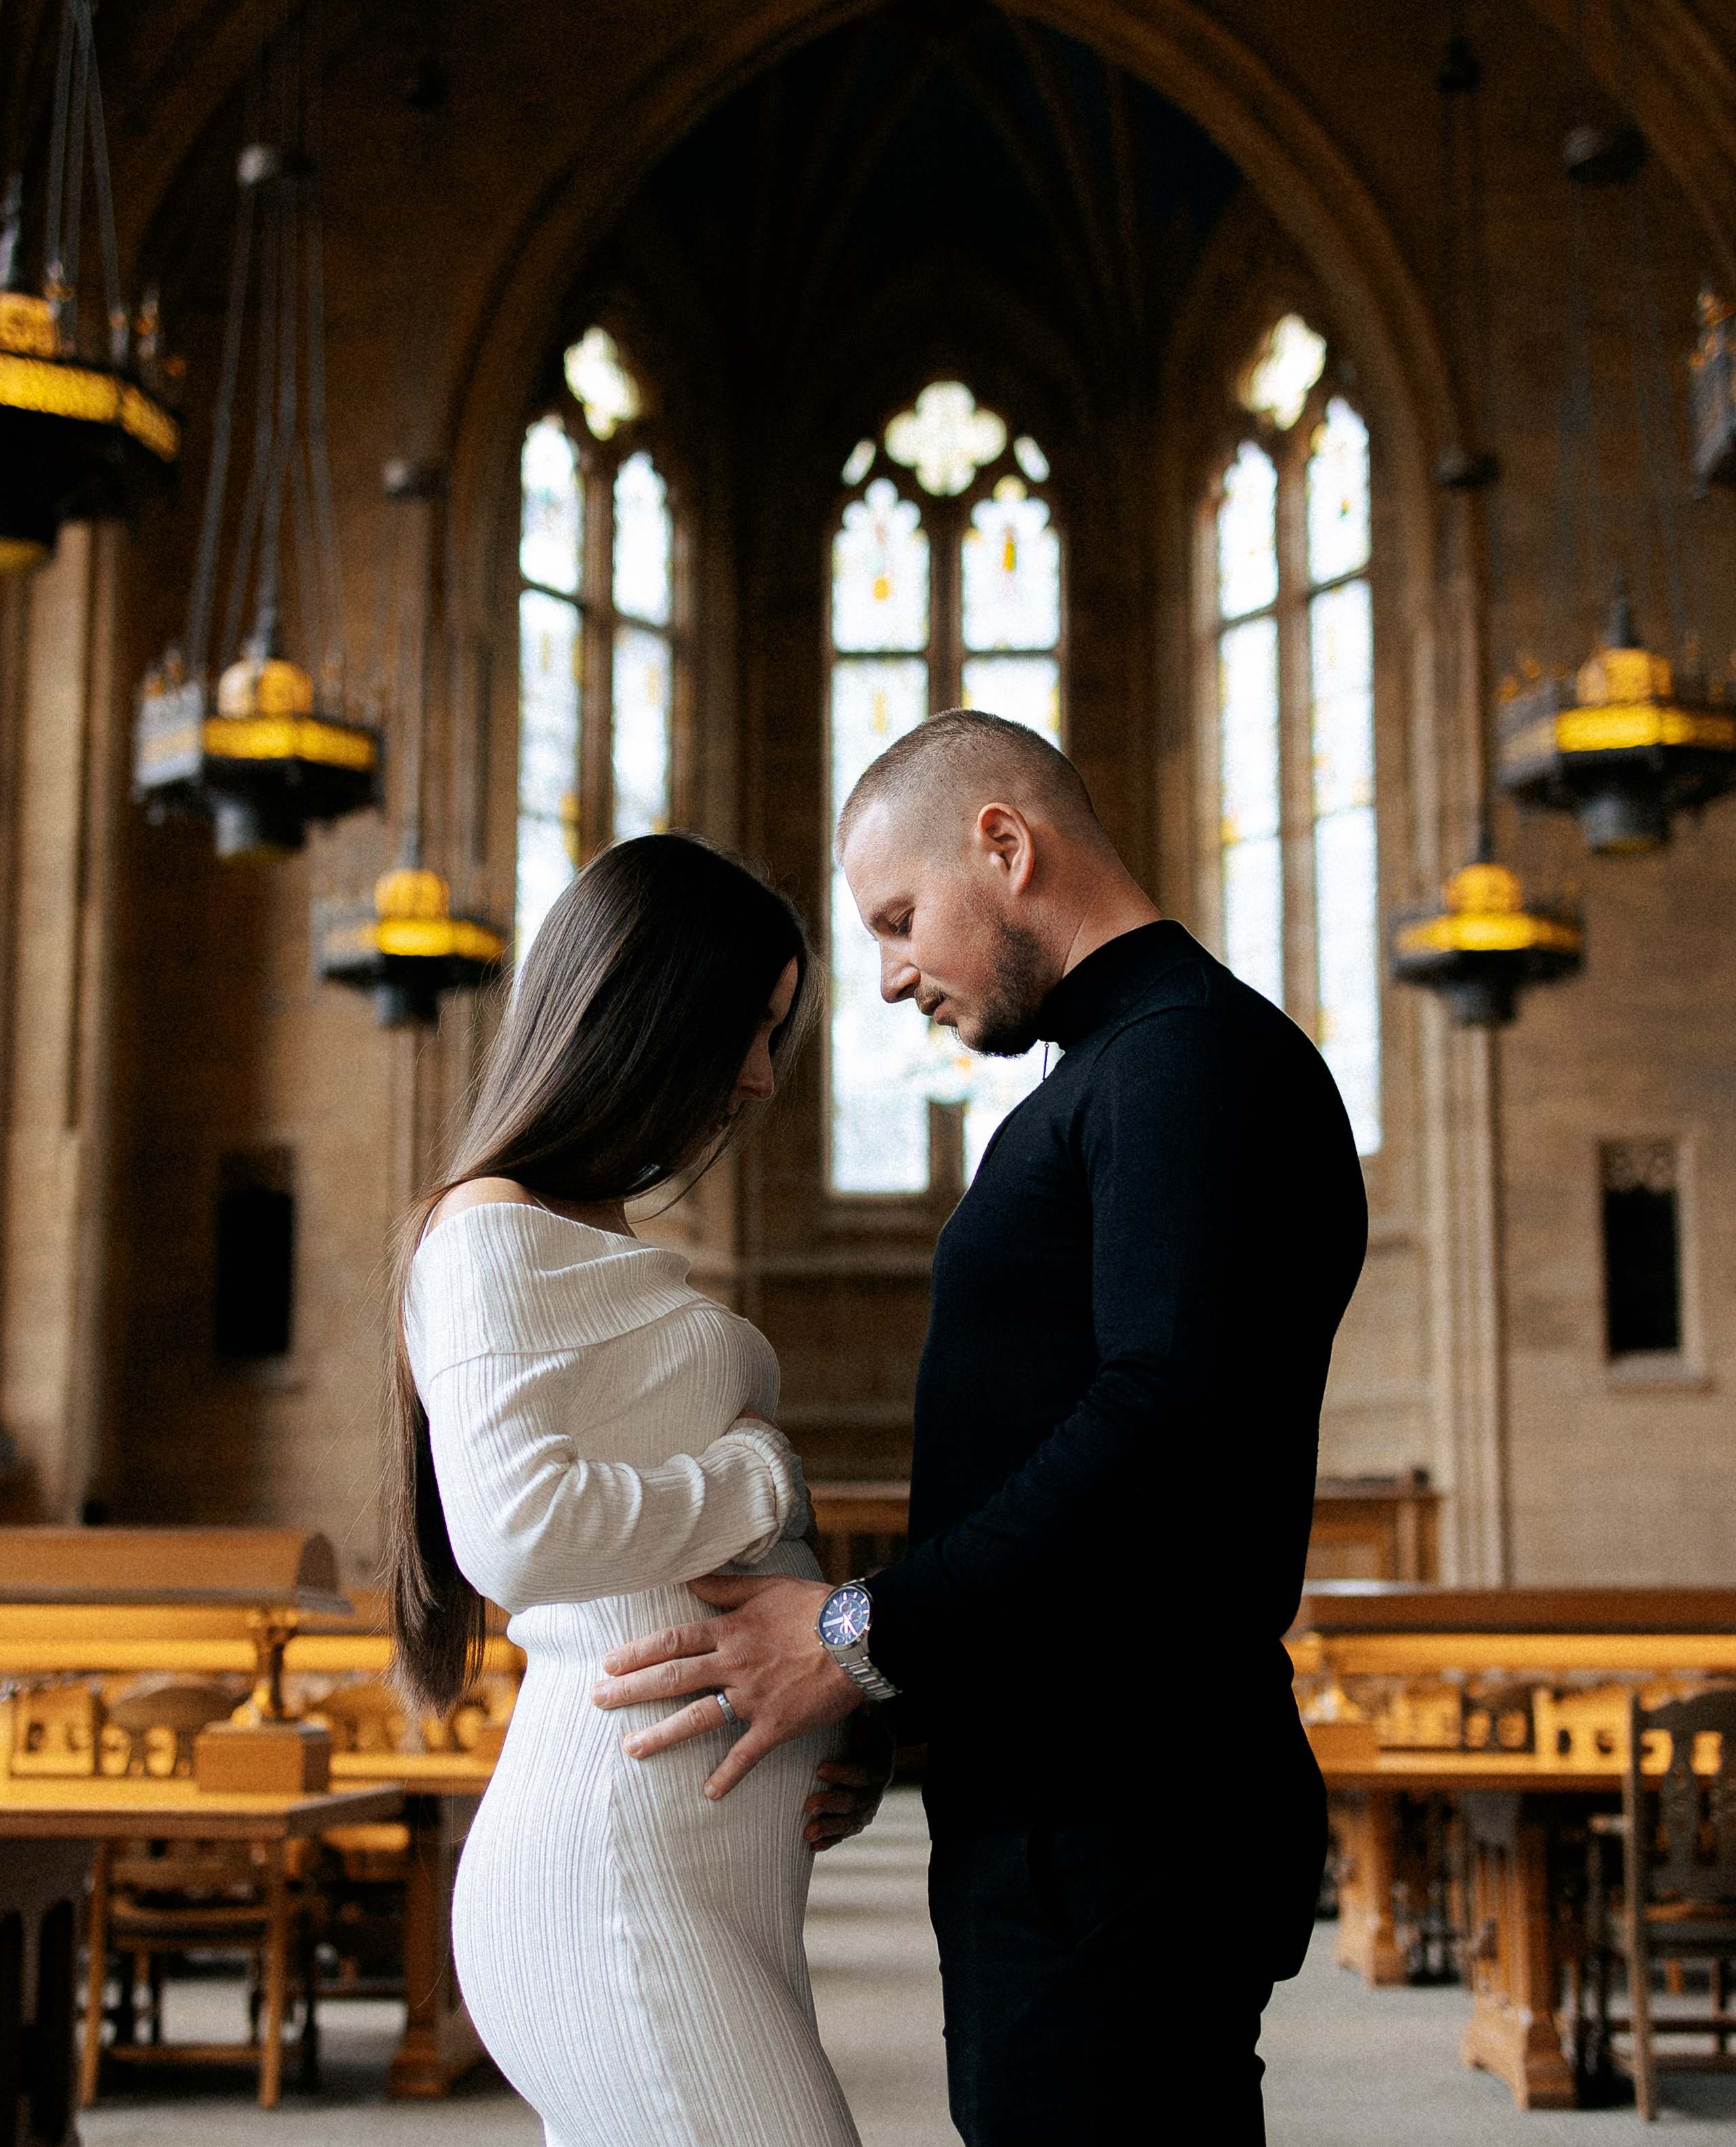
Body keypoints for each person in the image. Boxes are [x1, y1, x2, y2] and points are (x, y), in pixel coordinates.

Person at [593, 711, 1369, 2146]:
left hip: (1124, 1811)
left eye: (899, 920)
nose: (891, 976)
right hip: (1074, 1809)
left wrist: (856, 1633)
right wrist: (904, 1688)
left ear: (1003, 844)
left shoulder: (1184, 1061)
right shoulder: (1117, 1068)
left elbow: (1163, 1424)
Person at [384, 833, 886, 2147]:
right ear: (643, 1010)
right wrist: (757, 1477)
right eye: (746, 1028)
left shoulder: (585, 1235)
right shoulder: (487, 1226)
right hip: (616, 1875)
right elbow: (517, 1532)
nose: (760, 1077)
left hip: (702, 1881)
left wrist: (842, 1712)